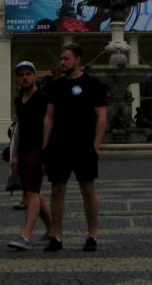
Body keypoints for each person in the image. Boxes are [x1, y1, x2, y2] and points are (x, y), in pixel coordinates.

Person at [43, 43, 107, 253]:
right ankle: (56, 236)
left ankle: (92, 235)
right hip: (59, 146)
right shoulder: (55, 86)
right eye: (61, 59)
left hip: (84, 145)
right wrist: (45, 146)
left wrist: (96, 145)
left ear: (78, 59)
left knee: (87, 190)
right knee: (57, 190)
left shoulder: (92, 84)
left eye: (66, 59)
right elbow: (49, 117)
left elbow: (101, 116)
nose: (62, 62)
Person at [7, 61, 53, 250]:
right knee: (33, 191)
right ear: (18, 79)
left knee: (32, 192)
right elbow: (19, 129)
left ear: (35, 76)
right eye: (21, 75)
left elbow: (48, 124)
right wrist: (14, 154)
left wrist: (45, 152)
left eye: (28, 74)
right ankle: (52, 230)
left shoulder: (43, 98)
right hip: (24, 150)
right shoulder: (19, 100)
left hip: (37, 150)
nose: (25, 77)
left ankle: (25, 236)